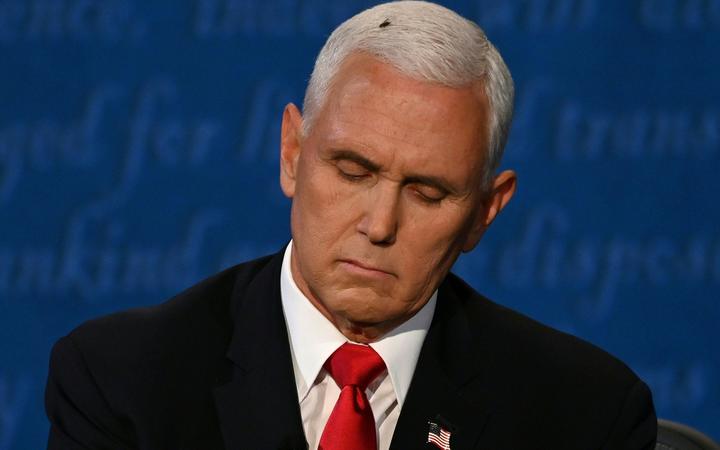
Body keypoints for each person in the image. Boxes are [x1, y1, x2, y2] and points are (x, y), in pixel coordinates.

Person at [45, 2, 657, 449]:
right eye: (354, 170)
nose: (379, 224)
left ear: (484, 213)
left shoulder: (585, 416)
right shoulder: (124, 382)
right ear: (291, 152)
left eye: (427, 192)